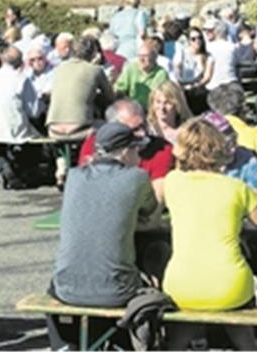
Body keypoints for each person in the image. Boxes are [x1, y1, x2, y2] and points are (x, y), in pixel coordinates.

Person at [158, 119, 257, 350]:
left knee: (180, 332)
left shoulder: (171, 182)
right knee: (243, 333)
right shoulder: (237, 188)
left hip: (181, 285)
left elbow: (149, 208)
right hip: (230, 286)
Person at [46, 121, 166, 349]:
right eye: (135, 150)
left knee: (63, 280)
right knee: (150, 255)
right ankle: (125, 343)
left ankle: (64, 345)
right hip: (116, 290)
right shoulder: (137, 178)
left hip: (66, 288)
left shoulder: (73, 176)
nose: (139, 155)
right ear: (124, 152)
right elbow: (150, 212)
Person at [46, 37, 110, 137]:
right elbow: (109, 97)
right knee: (111, 126)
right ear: (94, 53)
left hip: (53, 131)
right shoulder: (95, 70)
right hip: (81, 130)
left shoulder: (59, 68)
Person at [113, 36, 171, 110]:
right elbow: (120, 88)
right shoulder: (131, 68)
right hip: (132, 108)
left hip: (151, 110)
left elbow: (161, 96)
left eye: (145, 56)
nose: (141, 59)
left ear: (154, 57)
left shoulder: (161, 73)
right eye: (139, 56)